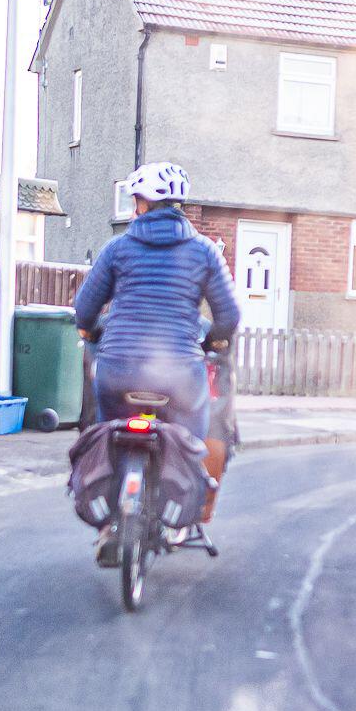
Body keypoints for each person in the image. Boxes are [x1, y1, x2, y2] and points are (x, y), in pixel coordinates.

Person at [73, 161, 242, 558]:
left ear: (145, 205)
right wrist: (213, 343)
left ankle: (112, 523)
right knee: (190, 438)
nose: (135, 208)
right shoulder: (203, 251)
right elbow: (229, 317)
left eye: (136, 201)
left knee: (109, 431)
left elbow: (84, 309)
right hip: (178, 373)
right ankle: (176, 521)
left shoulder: (117, 249)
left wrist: (94, 331)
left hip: (118, 369)